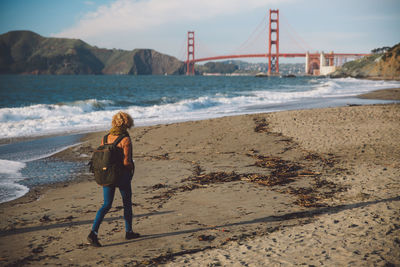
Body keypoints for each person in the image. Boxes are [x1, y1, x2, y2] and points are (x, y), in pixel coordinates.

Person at [87, 111, 140, 247]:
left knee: (106, 205)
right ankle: (128, 231)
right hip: (121, 176)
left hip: (107, 175)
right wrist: (132, 168)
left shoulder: (105, 138)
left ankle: (93, 233)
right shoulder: (125, 139)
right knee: (127, 203)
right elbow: (126, 162)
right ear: (127, 123)